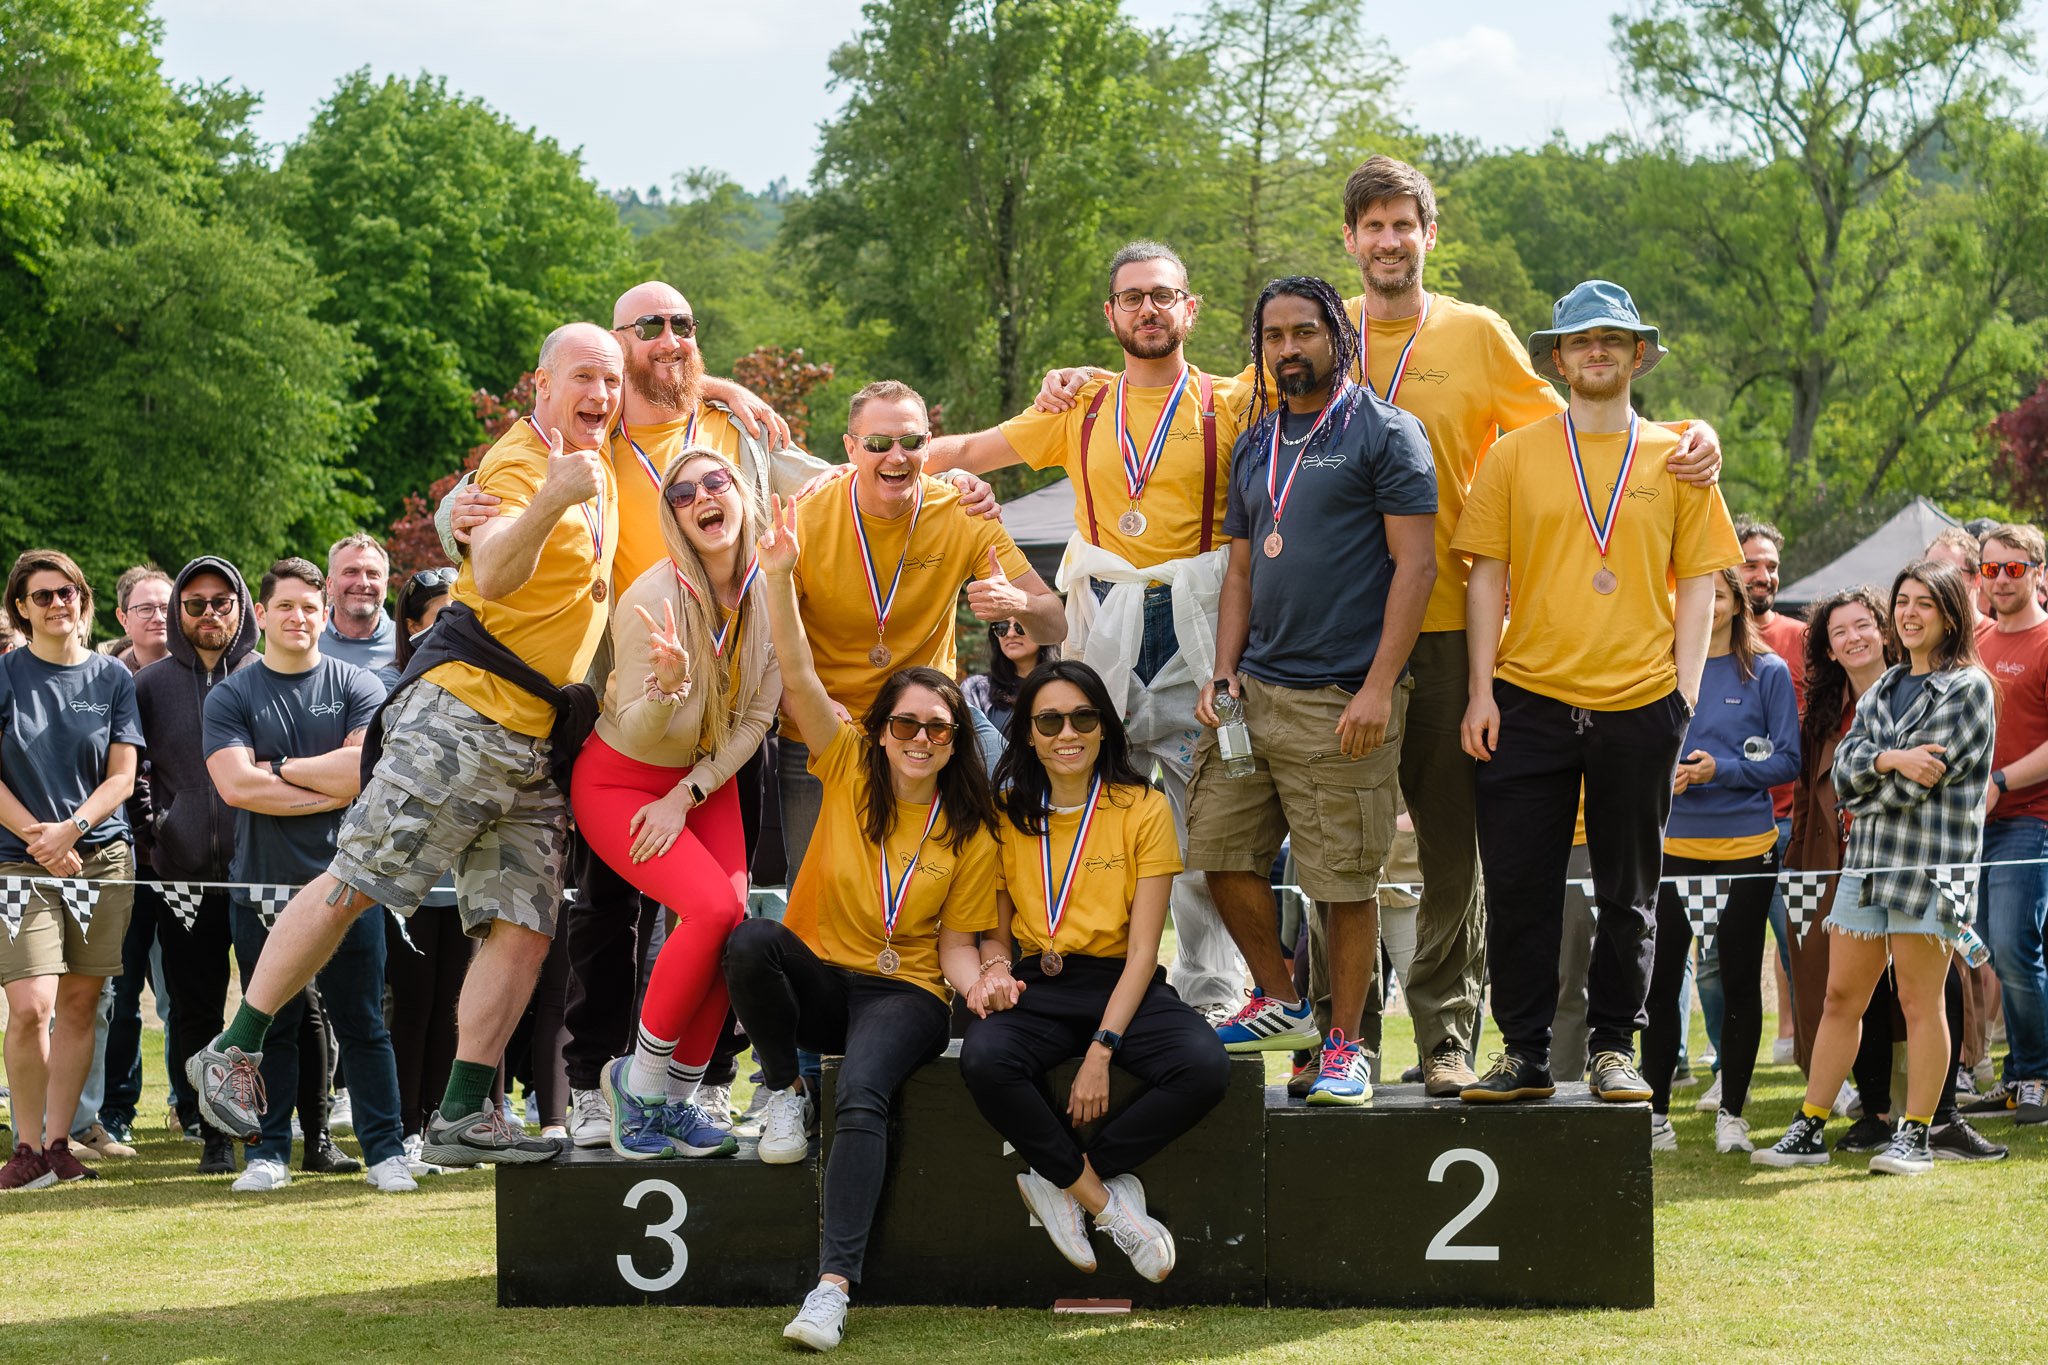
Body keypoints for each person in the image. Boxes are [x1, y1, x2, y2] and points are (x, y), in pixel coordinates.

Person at [188, 322, 624, 1167]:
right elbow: (489, 574)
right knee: (360, 880)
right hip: (459, 716)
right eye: (583, 378)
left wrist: (723, 394)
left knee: (526, 924)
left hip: (535, 739)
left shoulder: (597, 455)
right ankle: (234, 1046)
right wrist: (551, 496)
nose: (601, 396)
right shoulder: (519, 465)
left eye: (611, 381)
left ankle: (464, 1110)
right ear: (540, 384)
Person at [929, 241, 1256, 1021]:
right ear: (1110, 314)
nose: (1149, 308)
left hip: (1194, 617)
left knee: (1201, 818)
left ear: (1191, 308)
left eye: (1164, 295)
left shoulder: (1234, 403)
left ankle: (1215, 995)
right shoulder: (1078, 407)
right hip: (1103, 618)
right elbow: (970, 450)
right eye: (1134, 297)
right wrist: (891, 460)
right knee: (1077, 793)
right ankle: (1078, 977)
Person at [1452, 280, 1741, 1104]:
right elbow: (1485, 581)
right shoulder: (1514, 454)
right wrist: (1481, 691)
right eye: (1581, 341)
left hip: (1639, 703)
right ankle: (1525, 1052)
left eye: (1613, 339)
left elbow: (1700, 584)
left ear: (1640, 354)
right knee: (1518, 891)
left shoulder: (1680, 456)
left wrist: (1681, 697)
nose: (1598, 351)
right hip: (1527, 699)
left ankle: (1615, 1047)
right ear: (1558, 358)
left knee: (1630, 898)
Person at [730, 491, 1003, 1353]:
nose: (921, 737)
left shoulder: (970, 829)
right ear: (879, 730)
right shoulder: (844, 758)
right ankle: (781, 1086)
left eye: (939, 727)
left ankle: (832, 1288)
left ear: (957, 740)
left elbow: (959, 945)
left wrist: (983, 983)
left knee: (864, 1094)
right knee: (747, 941)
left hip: (909, 992)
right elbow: (802, 676)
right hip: (825, 975)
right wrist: (777, 576)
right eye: (906, 723)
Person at [1187, 275, 1437, 1106]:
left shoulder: (1387, 432)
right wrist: (1224, 671)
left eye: (1304, 332)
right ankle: (1285, 1002)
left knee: (1343, 883)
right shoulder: (1256, 443)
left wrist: (1377, 687)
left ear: (1339, 334)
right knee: (1217, 847)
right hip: (1252, 693)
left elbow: (1417, 566)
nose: (1288, 349)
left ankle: (1346, 1045)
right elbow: (1242, 568)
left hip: (1343, 697)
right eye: (1273, 337)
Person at [962, 659, 1229, 1284]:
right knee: (983, 1060)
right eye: (1048, 720)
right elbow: (995, 934)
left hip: (1120, 981)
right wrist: (996, 969)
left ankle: (1064, 1183)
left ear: (1105, 727)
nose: (1066, 733)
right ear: (1027, 732)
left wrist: (1101, 1052)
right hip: (1039, 984)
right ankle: (1107, 1206)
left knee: (1205, 1066)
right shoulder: (1007, 814)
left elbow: (1144, 952)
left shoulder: (1144, 806)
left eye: (1083, 717)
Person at [1756, 561, 1997, 1175]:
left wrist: (1872, 772)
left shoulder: (1970, 687)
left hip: (1930, 867)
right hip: (1865, 866)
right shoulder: (1885, 687)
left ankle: (1915, 1135)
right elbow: (1845, 774)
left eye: (1925, 603)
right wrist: (1891, 759)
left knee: (1920, 1003)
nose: (1911, 613)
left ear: (1950, 614)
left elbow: (1923, 781)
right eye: (1904, 602)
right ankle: (1809, 1127)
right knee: (1841, 997)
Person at [575, 446, 779, 1159]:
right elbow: (633, 729)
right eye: (683, 492)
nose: (702, 497)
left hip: (698, 780)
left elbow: (756, 720)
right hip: (620, 780)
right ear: (674, 517)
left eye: (715, 481)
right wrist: (665, 688)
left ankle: (676, 1104)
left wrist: (687, 792)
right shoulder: (653, 599)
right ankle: (638, 1080)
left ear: (743, 493)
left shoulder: (773, 587)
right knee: (714, 908)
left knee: (737, 933)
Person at [201, 558, 413, 1193]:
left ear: (325, 615)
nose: (299, 618)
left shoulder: (361, 685)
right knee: (274, 1022)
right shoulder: (232, 694)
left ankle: (384, 1152)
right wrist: (323, 783)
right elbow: (236, 787)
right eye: (285, 607)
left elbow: (362, 775)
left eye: (309, 608)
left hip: (350, 882)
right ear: (260, 616)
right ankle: (269, 1154)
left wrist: (282, 766)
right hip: (261, 885)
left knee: (362, 1021)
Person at [1639, 569, 1799, 1153]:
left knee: (1738, 983)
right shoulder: (1659, 665)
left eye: (1718, 597)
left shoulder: (1769, 672)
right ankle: (1654, 1113)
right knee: (1659, 985)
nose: (1704, 606)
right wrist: (1662, 776)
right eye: (1693, 596)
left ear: (1737, 604)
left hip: (1747, 852)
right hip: (1670, 852)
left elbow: (1787, 763)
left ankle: (1732, 1111)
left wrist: (1720, 771)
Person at [0, 550, 141, 1190]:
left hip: (101, 856)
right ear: (21, 608)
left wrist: (72, 830)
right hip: (18, 858)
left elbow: (123, 776)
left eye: (69, 593)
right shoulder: (4, 676)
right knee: (31, 1006)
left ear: (83, 602)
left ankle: (60, 1142)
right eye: (44, 595)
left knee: (84, 1003)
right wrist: (41, 838)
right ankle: (25, 1148)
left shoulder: (112, 678)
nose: (59, 603)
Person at [133, 556, 258, 1174]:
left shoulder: (264, 675)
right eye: (196, 603)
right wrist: (156, 836)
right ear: (179, 611)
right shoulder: (150, 684)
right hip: (181, 875)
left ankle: (270, 1131)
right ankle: (210, 1133)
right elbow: (134, 772)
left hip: (260, 870)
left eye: (221, 601)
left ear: (241, 607)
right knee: (194, 1008)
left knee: (275, 1002)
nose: (209, 613)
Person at [375, 565, 467, 1172]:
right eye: (441, 616)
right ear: (411, 625)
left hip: (462, 872)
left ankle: (441, 1120)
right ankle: (406, 1121)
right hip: (407, 874)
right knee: (410, 1005)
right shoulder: (390, 682)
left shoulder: (484, 679)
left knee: (453, 1004)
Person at [1965, 524, 2048, 1125]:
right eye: (1990, 569)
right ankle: (2021, 1076)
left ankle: (2037, 1076)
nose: (2000, 580)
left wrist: (2000, 783)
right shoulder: (1981, 640)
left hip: (2030, 818)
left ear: (2038, 572)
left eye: (2013, 569)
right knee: (1996, 949)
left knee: (2017, 949)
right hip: (1975, 824)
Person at [93, 564, 173, 1156]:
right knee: (118, 993)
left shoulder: (205, 678)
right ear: (122, 617)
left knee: (182, 995)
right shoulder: (106, 683)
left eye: (165, 606)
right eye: (144, 608)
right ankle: (114, 1111)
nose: (157, 617)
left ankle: (189, 1106)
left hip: (186, 865)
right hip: (121, 859)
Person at [963, 619, 1056, 740]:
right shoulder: (975, 689)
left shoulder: (1066, 685)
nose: (1010, 634)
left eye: (1021, 625)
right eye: (1002, 627)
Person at [322, 533, 398, 672]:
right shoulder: (308, 640)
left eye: (373, 574)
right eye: (351, 572)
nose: (363, 583)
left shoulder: (406, 643)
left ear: (385, 586)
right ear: (330, 584)